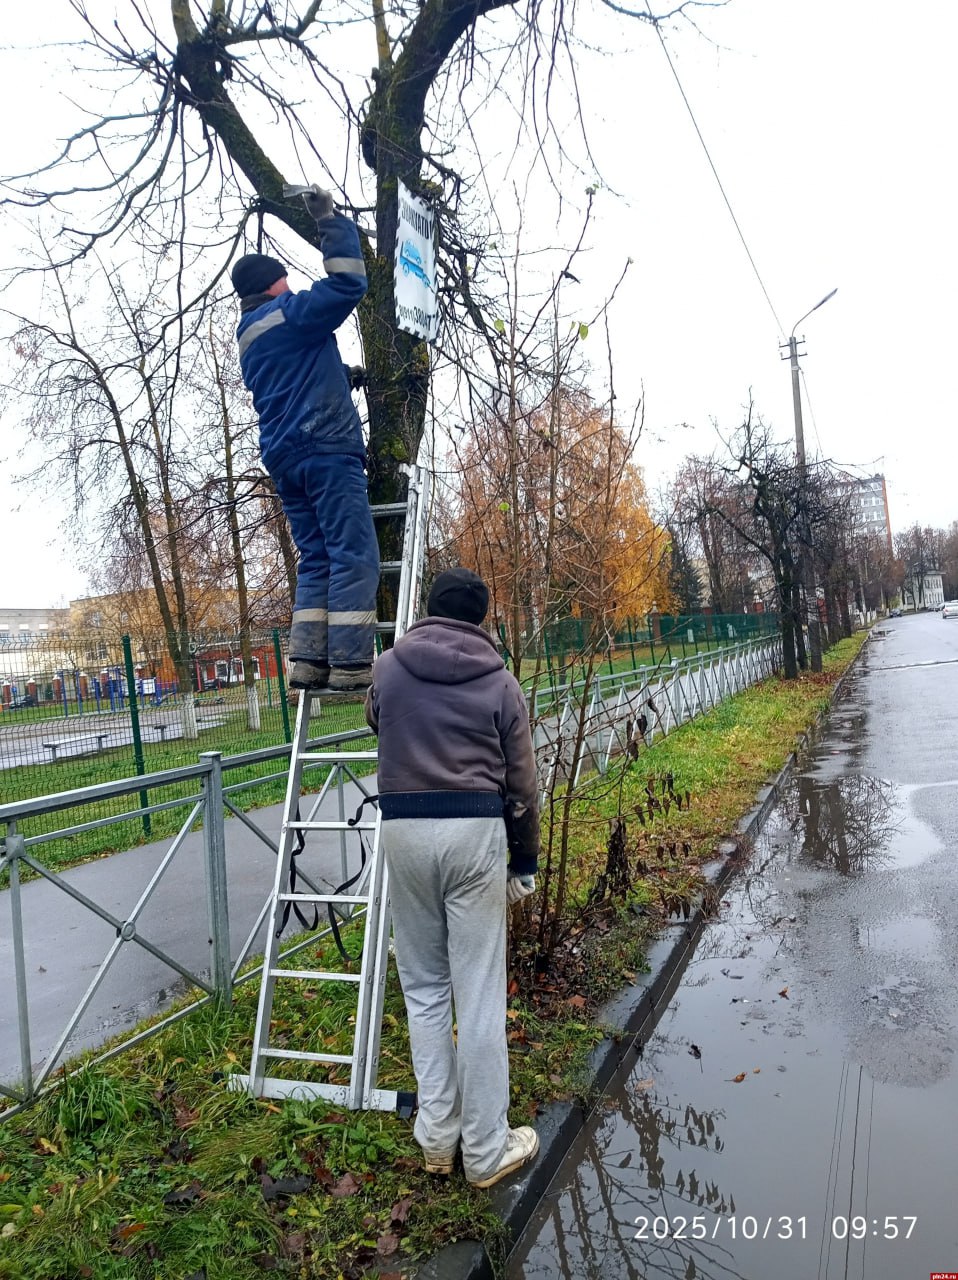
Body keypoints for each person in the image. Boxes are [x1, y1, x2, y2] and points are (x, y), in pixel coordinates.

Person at [364, 567, 541, 1188]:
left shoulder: (388, 668)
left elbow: (376, 718)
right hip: (475, 833)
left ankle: (438, 1136)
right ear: (480, 619)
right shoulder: (501, 682)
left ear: (428, 609)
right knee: (480, 995)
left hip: (404, 831)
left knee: (424, 988)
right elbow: (522, 785)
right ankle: (487, 1150)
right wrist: (524, 863)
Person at [231, 186, 379, 692]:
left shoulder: (250, 334)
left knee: (316, 558)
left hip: (284, 457)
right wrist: (331, 221)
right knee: (353, 553)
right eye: (285, 279)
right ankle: (352, 665)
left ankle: (309, 662)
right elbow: (348, 284)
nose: (291, 285)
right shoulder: (291, 313)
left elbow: (293, 374)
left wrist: (341, 375)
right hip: (326, 449)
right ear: (273, 284)